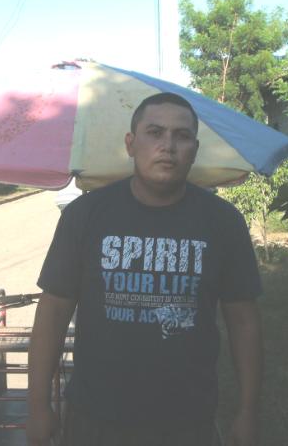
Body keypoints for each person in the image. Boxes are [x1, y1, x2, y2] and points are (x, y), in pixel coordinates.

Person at [27, 92, 263, 446]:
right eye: (155, 132)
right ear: (131, 143)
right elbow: (53, 311)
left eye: (182, 136)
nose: (168, 146)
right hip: (94, 418)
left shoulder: (223, 222)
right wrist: (37, 406)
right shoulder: (85, 216)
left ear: (194, 150)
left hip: (187, 421)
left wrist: (248, 412)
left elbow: (244, 321)